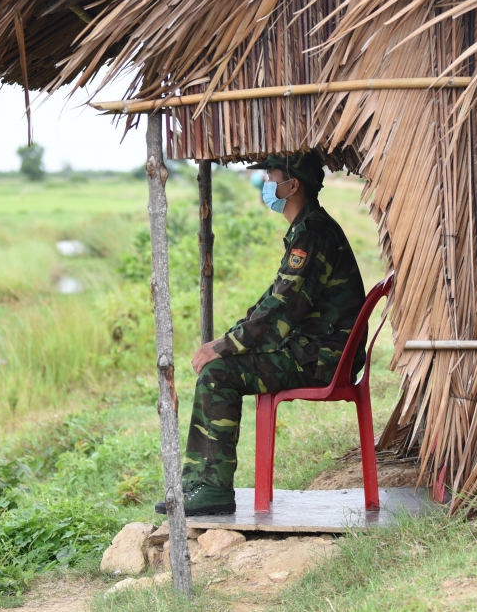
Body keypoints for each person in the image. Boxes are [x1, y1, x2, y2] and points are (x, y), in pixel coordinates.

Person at [155, 152, 366, 515]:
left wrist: (226, 348)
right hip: (313, 351)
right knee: (219, 364)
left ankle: (212, 490)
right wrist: (228, 341)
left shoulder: (312, 236)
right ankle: (197, 482)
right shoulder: (308, 228)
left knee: (218, 374)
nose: (265, 185)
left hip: (322, 360)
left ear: (292, 185)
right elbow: (272, 300)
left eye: (270, 177)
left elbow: (281, 310)